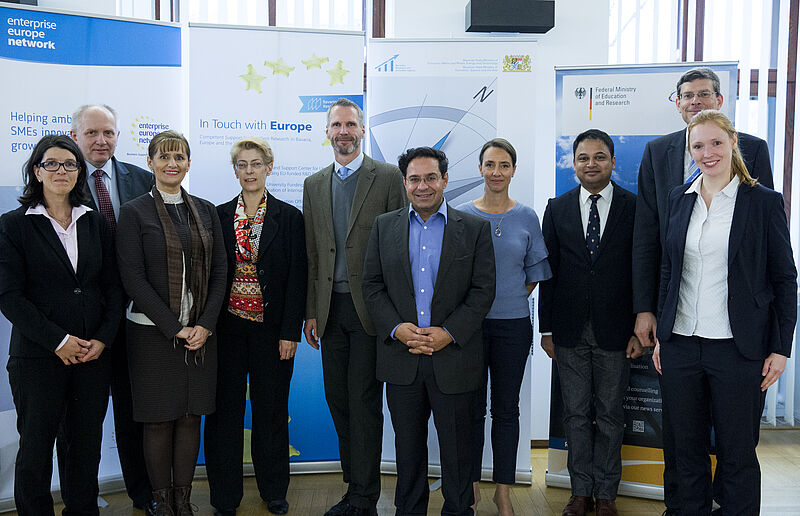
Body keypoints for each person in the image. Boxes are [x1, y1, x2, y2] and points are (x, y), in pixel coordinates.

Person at [631, 67, 774, 514]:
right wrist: (648, 309)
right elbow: (650, 241)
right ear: (677, 103)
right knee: (683, 446)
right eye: (688, 95)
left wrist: (775, 342)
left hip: (738, 337)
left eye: (705, 94)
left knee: (736, 447)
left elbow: (766, 253)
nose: (696, 101)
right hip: (680, 330)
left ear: (721, 100)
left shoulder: (754, 153)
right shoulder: (659, 155)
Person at [655, 109, 795, 514]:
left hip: (738, 348)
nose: (707, 152)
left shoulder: (763, 202)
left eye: (716, 142)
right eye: (697, 145)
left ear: (733, 142)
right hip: (681, 345)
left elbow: (785, 279)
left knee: (736, 453)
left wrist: (781, 348)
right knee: (684, 451)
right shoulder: (678, 200)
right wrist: (664, 335)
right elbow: (668, 270)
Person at [362, 146, 496, 516]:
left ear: (445, 180)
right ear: (404, 183)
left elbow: (483, 290)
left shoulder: (474, 229)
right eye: (415, 179)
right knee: (408, 450)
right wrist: (397, 328)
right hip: (401, 357)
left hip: (453, 357)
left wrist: (448, 332)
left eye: (431, 178)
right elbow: (372, 286)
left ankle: (458, 510)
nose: (423, 186)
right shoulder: (383, 226)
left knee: (457, 450)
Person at [0, 134, 125, 515]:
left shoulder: (95, 223)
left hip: (92, 355)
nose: (61, 171)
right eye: (51, 164)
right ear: (36, 171)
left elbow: (113, 287)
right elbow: (9, 297)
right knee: (36, 448)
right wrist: (59, 341)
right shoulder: (13, 225)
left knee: (84, 446)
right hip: (39, 358)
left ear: (79, 173)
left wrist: (102, 339)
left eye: (70, 164)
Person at [302, 98, 405, 516]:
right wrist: (310, 310)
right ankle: (355, 480)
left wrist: (397, 314)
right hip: (329, 312)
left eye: (351, 124)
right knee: (337, 399)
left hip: (371, 311)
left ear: (362, 131)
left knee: (363, 401)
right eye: (336, 125)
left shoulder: (388, 176)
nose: (343, 131)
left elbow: (399, 246)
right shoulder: (313, 183)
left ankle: (363, 495)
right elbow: (313, 254)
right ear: (327, 132)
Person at [116, 130, 227, 515]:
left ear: (189, 163)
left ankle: (183, 499)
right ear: (150, 163)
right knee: (159, 420)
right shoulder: (133, 212)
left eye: (179, 156)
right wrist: (173, 327)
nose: (172, 164)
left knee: (190, 415)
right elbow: (132, 277)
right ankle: (162, 503)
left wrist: (205, 325)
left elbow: (220, 273)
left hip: (201, 334)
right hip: (151, 333)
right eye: (163, 157)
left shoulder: (205, 209)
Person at [539, 130, 642, 516]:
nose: (591, 164)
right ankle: (580, 492)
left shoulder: (635, 207)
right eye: (583, 157)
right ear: (574, 163)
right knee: (576, 414)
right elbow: (548, 271)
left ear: (613, 162)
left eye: (600, 157)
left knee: (612, 416)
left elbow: (640, 269)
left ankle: (607, 496)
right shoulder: (557, 207)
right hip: (568, 330)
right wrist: (545, 328)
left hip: (618, 331)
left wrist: (638, 327)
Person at [204, 137, 307, 516]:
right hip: (226, 331)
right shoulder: (216, 216)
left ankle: (274, 490)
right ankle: (225, 498)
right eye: (242, 165)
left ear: (269, 167)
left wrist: (288, 332)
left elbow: (298, 278)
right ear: (235, 171)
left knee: (271, 412)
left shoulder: (290, 217)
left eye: (256, 163)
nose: (249, 171)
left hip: (271, 333)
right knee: (223, 417)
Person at [456, 138, 551, 515]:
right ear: (480, 169)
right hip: (470, 328)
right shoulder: (461, 213)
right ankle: (472, 486)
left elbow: (535, 272)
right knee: (471, 409)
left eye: (504, 165)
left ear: (513, 170)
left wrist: (509, 296)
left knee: (506, 410)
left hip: (513, 326)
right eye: (490, 165)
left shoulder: (527, 216)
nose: (497, 172)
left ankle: (504, 491)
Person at [68, 103, 156, 514]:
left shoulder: (142, 179)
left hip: (136, 317)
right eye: (91, 134)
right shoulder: (61, 181)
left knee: (133, 413)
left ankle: (144, 493)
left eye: (108, 133)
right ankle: (80, 501)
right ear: (75, 137)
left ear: (118, 136)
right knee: (81, 421)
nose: (101, 141)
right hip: (83, 322)